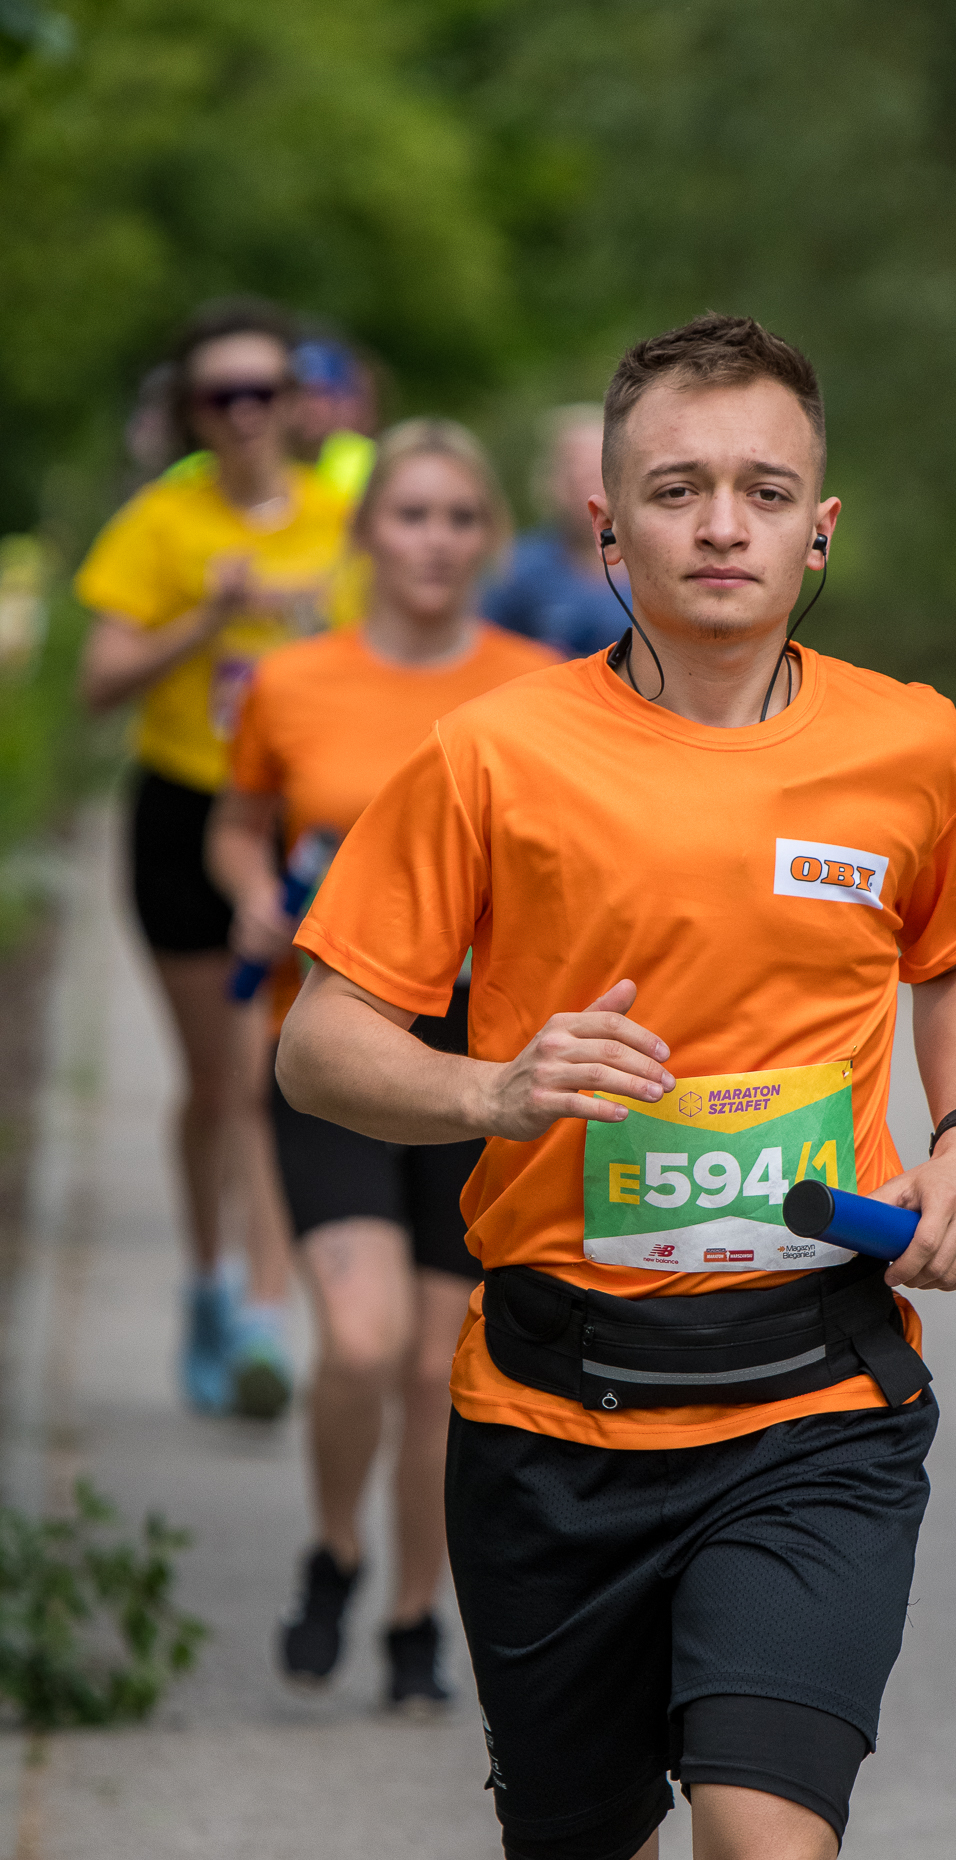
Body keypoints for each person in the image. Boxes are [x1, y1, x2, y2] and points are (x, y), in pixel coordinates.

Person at [277, 313, 956, 1860]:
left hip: (814, 1400)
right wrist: (492, 1085)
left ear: (820, 529)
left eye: (763, 489)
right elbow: (321, 1043)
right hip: (556, 1410)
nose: (722, 523)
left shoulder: (911, 742)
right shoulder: (493, 753)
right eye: (678, 489)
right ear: (607, 528)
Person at [208, 421, 556, 1708]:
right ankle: (333, 1548)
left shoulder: (541, 686)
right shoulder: (293, 681)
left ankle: (415, 1615)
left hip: (484, 1060)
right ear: (367, 534)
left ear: (490, 538)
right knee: (359, 1343)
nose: (435, 540)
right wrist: (253, 895)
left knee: (433, 1367)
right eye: (411, 514)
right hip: (337, 1044)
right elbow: (239, 825)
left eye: (460, 516)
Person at [76, 297, 353, 1420]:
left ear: (296, 402)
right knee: (216, 1082)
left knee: (267, 1072)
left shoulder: (345, 518)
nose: (243, 414)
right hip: (185, 813)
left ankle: (262, 1313)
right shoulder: (162, 524)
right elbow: (99, 683)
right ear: (192, 410)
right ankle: (208, 1281)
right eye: (219, 395)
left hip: (308, 823)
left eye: (263, 392)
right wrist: (209, 614)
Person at [480, 403, 628, 655]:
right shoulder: (516, 568)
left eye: (599, 472)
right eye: (577, 474)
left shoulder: (656, 558)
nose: (589, 488)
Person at [289, 336, 379, 504]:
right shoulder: (253, 459)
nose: (310, 405)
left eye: (321, 393)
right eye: (301, 392)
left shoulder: (370, 463)